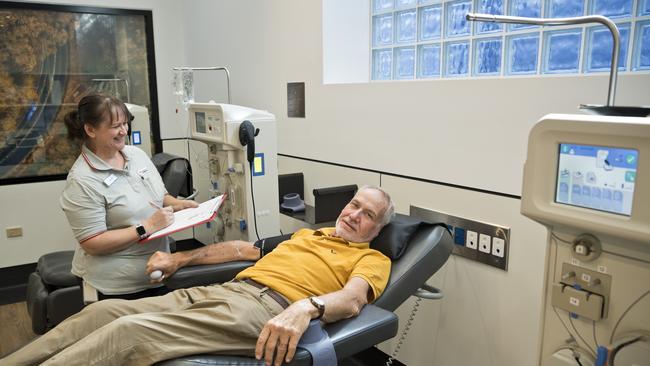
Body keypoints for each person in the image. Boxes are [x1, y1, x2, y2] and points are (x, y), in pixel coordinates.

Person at [2, 186, 395, 366]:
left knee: (131, 333)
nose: (355, 215)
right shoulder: (307, 234)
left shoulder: (371, 258)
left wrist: (307, 308)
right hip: (228, 291)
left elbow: (353, 299)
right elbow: (243, 250)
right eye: (354, 205)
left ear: (376, 229)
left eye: (368, 216)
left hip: (266, 311)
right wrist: (182, 261)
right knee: (101, 314)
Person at [59, 94, 198, 300]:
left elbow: (160, 196)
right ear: (90, 130)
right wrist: (146, 227)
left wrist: (178, 205)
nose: (124, 131)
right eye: (116, 126)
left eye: (125, 123)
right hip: (115, 288)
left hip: (158, 272)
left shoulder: (136, 155)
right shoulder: (82, 180)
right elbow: (92, 242)